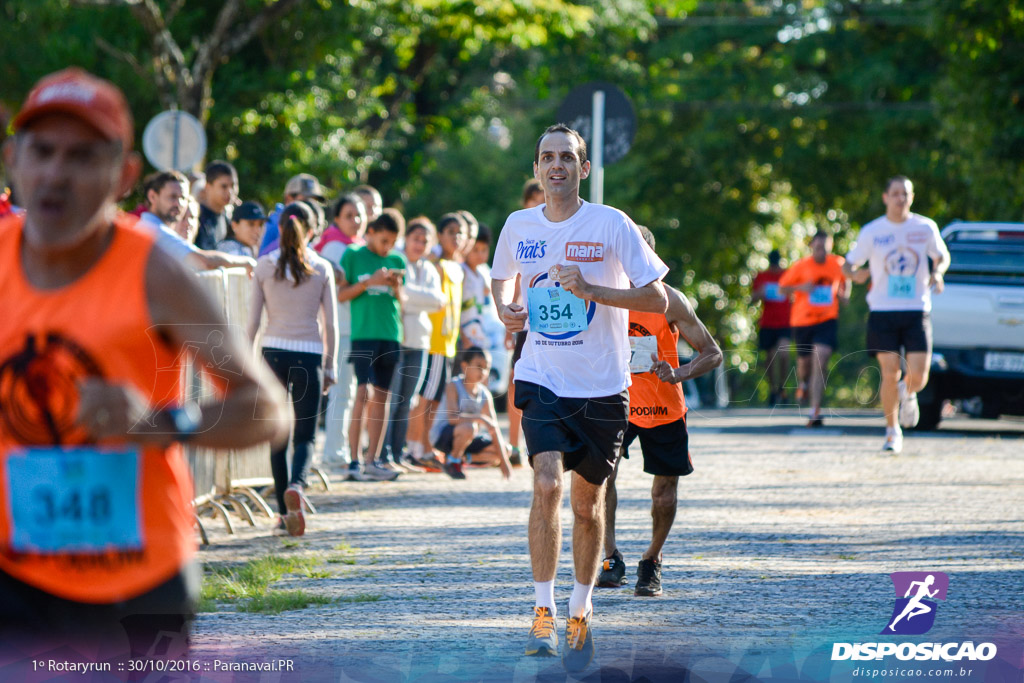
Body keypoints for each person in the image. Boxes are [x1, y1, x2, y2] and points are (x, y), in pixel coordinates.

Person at [0, 67, 290, 655]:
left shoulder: (155, 275)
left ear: (124, 175)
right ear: (13, 160)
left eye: (82, 156)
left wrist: (159, 424)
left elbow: (265, 409)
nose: (56, 173)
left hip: (138, 579)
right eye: (42, 152)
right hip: (17, 573)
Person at [491, 124, 669, 671]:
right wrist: (504, 307)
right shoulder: (518, 225)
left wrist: (593, 290)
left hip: (601, 388)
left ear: (583, 168)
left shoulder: (612, 224)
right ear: (537, 168)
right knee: (545, 485)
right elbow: (501, 280)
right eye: (547, 158)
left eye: (567, 157)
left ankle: (580, 608)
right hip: (542, 376)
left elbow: (657, 297)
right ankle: (542, 611)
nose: (556, 166)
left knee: (587, 508)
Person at [597, 226, 722, 597]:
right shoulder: (604, 297)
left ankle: (651, 560)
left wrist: (679, 372)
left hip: (664, 407)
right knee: (600, 480)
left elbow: (713, 353)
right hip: (614, 401)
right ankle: (610, 557)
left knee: (663, 494)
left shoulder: (671, 301)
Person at [248, 202, 338, 536]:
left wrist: (246, 364)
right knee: (305, 435)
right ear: (312, 230)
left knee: (277, 435)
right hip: (309, 355)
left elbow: (253, 323)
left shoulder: (263, 266)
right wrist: (330, 365)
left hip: (272, 355)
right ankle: (297, 486)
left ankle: (283, 513)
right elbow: (331, 325)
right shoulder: (322, 267)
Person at [842, 176, 950, 453]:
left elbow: (942, 255)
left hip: (916, 309)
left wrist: (937, 272)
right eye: (896, 193)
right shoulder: (873, 231)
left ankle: (908, 392)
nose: (901, 198)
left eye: (906, 194)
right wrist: (855, 275)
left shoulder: (925, 227)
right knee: (890, 372)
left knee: (919, 375)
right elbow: (849, 264)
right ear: (885, 197)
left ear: (911, 197)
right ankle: (892, 432)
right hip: (883, 310)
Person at [338, 208, 407, 482]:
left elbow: (402, 301)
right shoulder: (353, 255)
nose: (387, 247)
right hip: (363, 333)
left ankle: (373, 460)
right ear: (372, 233)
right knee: (363, 393)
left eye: (391, 242)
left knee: (383, 397)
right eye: (383, 240)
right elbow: (342, 294)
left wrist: (396, 285)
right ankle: (353, 460)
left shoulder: (397, 259)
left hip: (390, 333)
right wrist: (370, 282)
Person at [382, 217, 445, 470]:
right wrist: (413, 298)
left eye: (425, 240)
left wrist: (406, 294)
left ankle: (398, 454)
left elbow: (439, 301)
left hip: (420, 341)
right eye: (415, 238)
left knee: (408, 401)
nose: (419, 244)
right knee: (391, 400)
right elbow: (405, 301)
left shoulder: (430, 269)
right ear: (406, 239)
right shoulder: (397, 262)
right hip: (398, 339)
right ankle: (382, 453)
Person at [407, 213, 467, 468]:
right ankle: (416, 447)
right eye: (451, 231)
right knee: (425, 397)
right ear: (440, 236)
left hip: (448, 343)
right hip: (432, 342)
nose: (456, 237)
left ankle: (424, 445)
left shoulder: (457, 266)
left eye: (460, 232)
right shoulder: (434, 263)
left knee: (434, 398)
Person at [314, 193, 367, 469]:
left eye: (359, 214)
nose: (356, 221)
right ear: (336, 219)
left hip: (352, 328)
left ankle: (339, 449)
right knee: (342, 392)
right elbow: (336, 291)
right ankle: (334, 452)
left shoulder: (356, 246)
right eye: (349, 215)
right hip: (341, 327)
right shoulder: (335, 248)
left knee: (348, 392)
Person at [778, 231, 850, 427]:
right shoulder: (801, 265)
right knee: (805, 365)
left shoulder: (838, 263)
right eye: (818, 248)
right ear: (811, 247)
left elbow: (846, 280)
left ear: (831, 247)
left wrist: (844, 295)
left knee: (821, 358)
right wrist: (801, 287)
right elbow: (781, 289)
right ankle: (804, 383)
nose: (821, 253)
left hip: (827, 320)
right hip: (802, 321)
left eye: (825, 249)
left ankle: (815, 411)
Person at [138, 171, 256, 272]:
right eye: (172, 197)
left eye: (183, 198)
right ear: (152, 196)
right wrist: (247, 262)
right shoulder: (153, 230)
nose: (179, 204)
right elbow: (204, 261)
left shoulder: (150, 227)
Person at [428, 347, 512, 479]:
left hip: (468, 438)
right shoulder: (453, 386)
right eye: (479, 366)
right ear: (464, 366)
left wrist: (504, 462)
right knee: (469, 427)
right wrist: (479, 418)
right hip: (444, 436)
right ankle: (453, 462)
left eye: (486, 368)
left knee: (505, 450)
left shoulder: (485, 394)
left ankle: (463, 458)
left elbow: (493, 428)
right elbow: (452, 418)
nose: (483, 372)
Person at [751, 249, 793, 406]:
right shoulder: (762, 277)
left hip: (784, 322)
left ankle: (782, 386)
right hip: (767, 323)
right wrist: (759, 293)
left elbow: (797, 294)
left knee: (784, 354)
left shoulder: (787, 275)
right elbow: (753, 298)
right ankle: (773, 389)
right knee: (769, 357)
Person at [258, 173, 327, 257]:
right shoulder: (276, 224)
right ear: (289, 198)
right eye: (305, 201)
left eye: (315, 201)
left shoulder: (312, 222)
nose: (310, 206)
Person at [460, 223, 493, 349]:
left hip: (476, 334)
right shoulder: (462, 272)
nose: (480, 254)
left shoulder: (482, 275)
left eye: (484, 250)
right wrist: (462, 336)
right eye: (475, 250)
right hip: (462, 336)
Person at [195, 160, 238, 250]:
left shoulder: (226, 218)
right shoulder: (196, 217)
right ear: (208, 187)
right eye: (224, 186)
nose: (230, 192)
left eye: (233, 186)